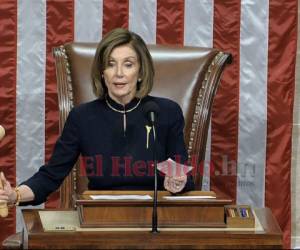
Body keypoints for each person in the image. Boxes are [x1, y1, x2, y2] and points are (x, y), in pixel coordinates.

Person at [0, 28, 194, 207]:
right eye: (111, 64)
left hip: (157, 214)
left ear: (141, 72)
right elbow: (51, 175)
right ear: (102, 73)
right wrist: (14, 195)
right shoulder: (82, 117)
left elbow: (183, 175)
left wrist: (178, 182)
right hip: (101, 215)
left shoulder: (166, 111)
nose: (119, 73)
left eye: (128, 64)